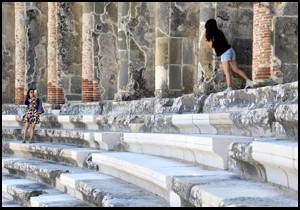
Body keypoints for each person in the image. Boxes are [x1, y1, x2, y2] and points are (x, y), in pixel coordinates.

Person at [205, 19, 253, 93]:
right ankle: (249, 81)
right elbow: (226, 41)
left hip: (224, 53)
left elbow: (210, 46)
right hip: (230, 50)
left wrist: (207, 39)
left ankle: (229, 88)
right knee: (236, 69)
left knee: (227, 71)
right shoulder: (220, 32)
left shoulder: (211, 36)